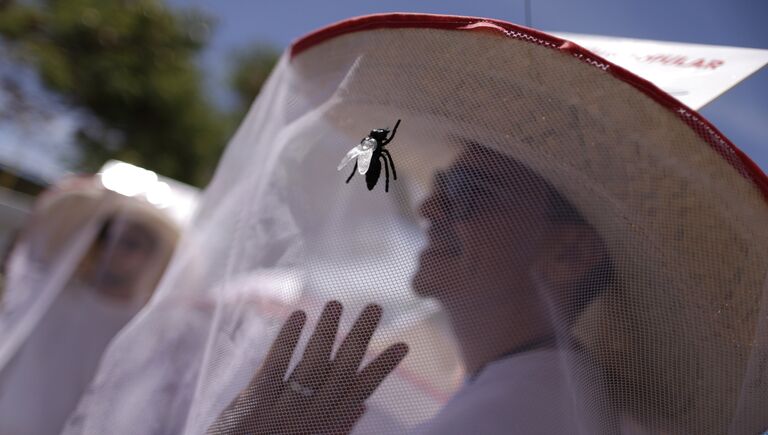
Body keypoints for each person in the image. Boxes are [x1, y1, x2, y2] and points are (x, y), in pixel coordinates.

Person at [0, 176, 180, 435]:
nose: (115, 250)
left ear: (150, 255)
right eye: (108, 237)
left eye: (130, 243)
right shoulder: (56, 295)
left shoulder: (148, 325)